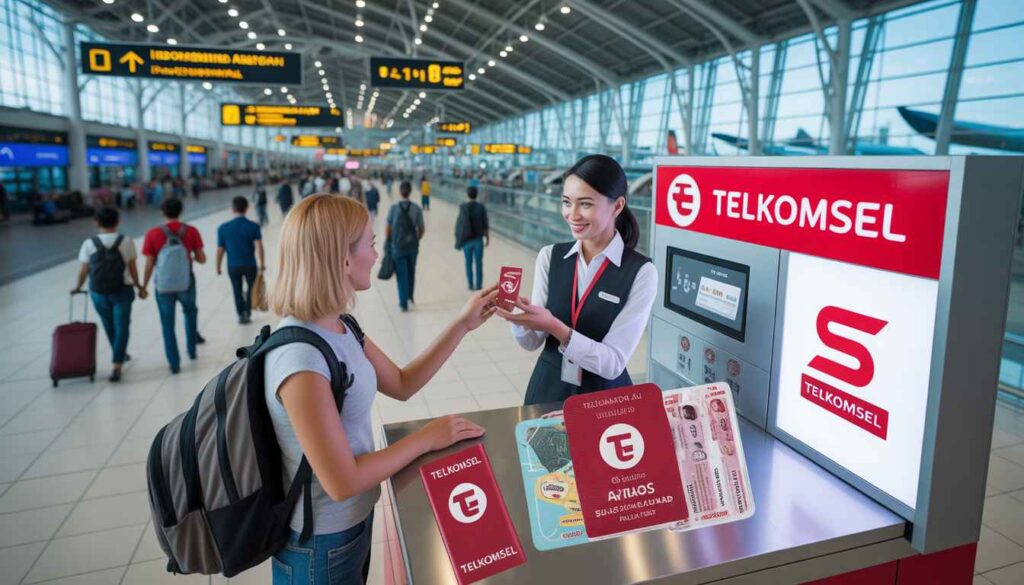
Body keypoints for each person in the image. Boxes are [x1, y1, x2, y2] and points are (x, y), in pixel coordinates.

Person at [265, 195, 495, 585]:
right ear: (343, 259)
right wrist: (426, 437)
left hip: (351, 525)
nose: (377, 254)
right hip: (318, 545)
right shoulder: (301, 360)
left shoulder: (341, 326)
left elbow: (403, 384)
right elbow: (342, 482)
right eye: (370, 245)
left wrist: (462, 324)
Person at [497, 155, 657, 406]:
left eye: (585, 204)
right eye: (566, 202)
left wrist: (555, 327)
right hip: (549, 390)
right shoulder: (550, 256)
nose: (572, 214)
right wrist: (517, 317)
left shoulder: (641, 272)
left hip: (605, 401)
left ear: (617, 206)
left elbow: (613, 363)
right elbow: (532, 342)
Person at [71, 207, 147, 382]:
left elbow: (84, 270)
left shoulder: (89, 243)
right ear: (117, 222)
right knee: (122, 326)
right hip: (122, 290)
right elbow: (132, 268)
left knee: (109, 324)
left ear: (96, 222)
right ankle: (117, 363)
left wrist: (78, 287)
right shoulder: (126, 241)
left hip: (98, 292)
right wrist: (139, 286)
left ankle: (118, 353)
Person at [141, 198, 206, 374]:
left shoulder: (152, 233)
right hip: (186, 282)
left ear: (162, 212)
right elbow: (202, 259)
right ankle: (191, 351)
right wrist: (190, 257)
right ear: (180, 211)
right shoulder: (191, 231)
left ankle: (174, 363)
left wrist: (143, 285)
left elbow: (149, 263)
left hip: (163, 286)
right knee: (190, 313)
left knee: (167, 323)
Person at [216, 196, 265, 324]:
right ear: (247, 208)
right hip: (250, 264)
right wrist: (262, 264)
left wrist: (218, 266)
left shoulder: (223, 228)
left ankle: (240, 314)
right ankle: (247, 312)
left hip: (233, 265)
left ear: (232, 209)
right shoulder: (254, 226)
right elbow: (259, 246)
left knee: (236, 289)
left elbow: (220, 249)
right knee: (251, 288)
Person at [385, 181, 425, 312]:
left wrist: (390, 242)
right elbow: (421, 229)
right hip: (412, 247)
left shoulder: (393, 208)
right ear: (410, 192)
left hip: (397, 247)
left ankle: (403, 304)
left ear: (400, 192)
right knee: (411, 272)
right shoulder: (417, 208)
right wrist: (415, 240)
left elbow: (388, 229)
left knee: (401, 275)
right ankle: (410, 297)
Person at [455, 186, 489, 291]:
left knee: (468, 263)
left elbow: (459, 225)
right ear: (476, 195)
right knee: (479, 263)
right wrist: (487, 238)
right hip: (478, 240)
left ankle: (470, 284)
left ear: (467, 195)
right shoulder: (481, 207)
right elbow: (485, 224)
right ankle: (478, 285)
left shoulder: (463, 207)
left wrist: (458, 239)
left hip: (466, 241)